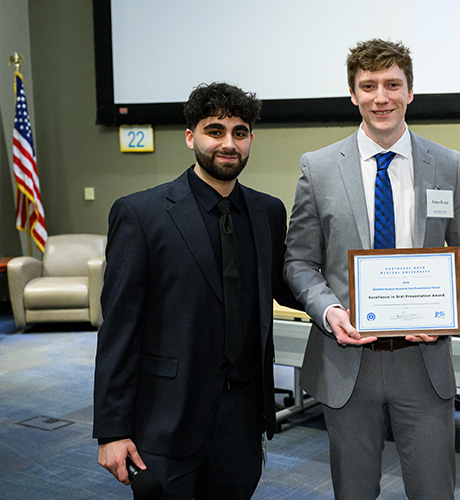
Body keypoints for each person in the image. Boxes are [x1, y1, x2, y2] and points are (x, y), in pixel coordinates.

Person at [284, 39, 460, 499]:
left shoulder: (446, 165)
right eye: (368, 86)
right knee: (353, 493)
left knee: (434, 491)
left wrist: (448, 308)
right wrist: (330, 313)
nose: (381, 97)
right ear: (352, 94)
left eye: (393, 84)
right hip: (347, 360)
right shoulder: (319, 168)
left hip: (423, 361)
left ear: (410, 91)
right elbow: (299, 261)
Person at [93, 82, 299, 499]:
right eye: (215, 130)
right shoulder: (141, 214)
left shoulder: (268, 211)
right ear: (191, 137)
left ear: (250, 140)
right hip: (166, 418)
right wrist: (111, 430)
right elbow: (118, 328)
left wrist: (359, 296)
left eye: (239, 133)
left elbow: (287, 285)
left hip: (242, 419)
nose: (228, 143)